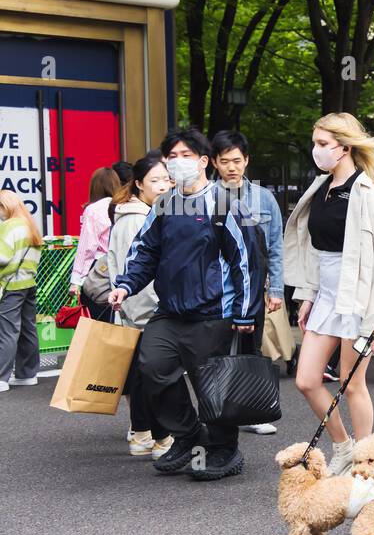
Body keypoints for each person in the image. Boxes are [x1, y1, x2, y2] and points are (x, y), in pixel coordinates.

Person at [106, 129, 263, 481]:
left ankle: (223, 449)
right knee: (152, 368)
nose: (177, 163)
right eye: (171, 157)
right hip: (170, 312)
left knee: (212, 386)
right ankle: (190, 437)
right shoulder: (164, 205)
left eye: (185, 155)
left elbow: (246, 261)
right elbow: (145, 251)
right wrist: (126, 285)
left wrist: (244, 311)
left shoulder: (225, 203)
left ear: (204, 161)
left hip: (213, 313)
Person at [283, 113, 374, 475]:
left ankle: (367, 466)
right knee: (306, 380)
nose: (316, 150)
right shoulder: (319, 188)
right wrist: (307, 295)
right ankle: (344, 447)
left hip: (360, 299)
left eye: (323, 144)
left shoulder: (368, 194)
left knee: (353, 385)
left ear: (345, 147)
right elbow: (314, 250)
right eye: (315, 143)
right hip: (325, 295)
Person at [211, 130, 285, 436]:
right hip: (217, 289)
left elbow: (276, 245)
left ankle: (250, 411)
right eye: (225, 161)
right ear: (214, 162)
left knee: (250, 349)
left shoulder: (264, 198)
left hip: (254, 288)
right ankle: (217, 409)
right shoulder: (206, 197)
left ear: (246, 161)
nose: (231, 167)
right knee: (216, 351)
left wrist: (277, 289)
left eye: (237, 160)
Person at [104, 152, 173, 455]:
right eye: (155, 180)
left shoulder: (141, 214)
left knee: (144, 374)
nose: (163, 185)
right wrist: (157, 308)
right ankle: (152, 436)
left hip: (136, 309)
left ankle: (144, 434)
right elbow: (137, 270)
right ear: (139, 184)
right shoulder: (136, 219)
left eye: (167, 179)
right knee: (151, 375)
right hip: (143, 310)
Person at [0, 189, 43, 392]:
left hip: (11, 284)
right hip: (29, 282)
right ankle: (27, 373)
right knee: (27, 329)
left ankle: (1, 377)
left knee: (7, 331)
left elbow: (3, 257)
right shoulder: (29, 225)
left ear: (5, 206)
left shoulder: (9, 226)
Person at [69, 166, 123, 322]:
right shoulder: (123, 206)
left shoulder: (93, 210)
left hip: (99, 269)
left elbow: (87, 248)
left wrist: (76, 280)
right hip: (121, 265)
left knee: (97, 319)